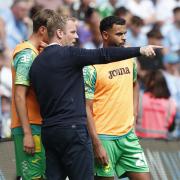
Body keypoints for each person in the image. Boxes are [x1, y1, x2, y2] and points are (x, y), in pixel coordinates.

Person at [29, 13, 160, 180]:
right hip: (74, 130)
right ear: (60, 33)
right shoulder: (69, 55)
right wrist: (140, 50)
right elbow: (103, 55)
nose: (76, 36)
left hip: (49, 131)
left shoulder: (37, 63)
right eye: (72, 32)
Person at [83, 16, 150, 180]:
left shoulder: (129, 58)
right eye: (119, 34)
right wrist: (96, 144)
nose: (124, 37)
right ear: (105, 35)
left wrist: (134, 115)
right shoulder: (91, 66)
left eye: (125, 33)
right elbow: (86, 108)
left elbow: (135, 85)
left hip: (128, 136)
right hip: (104, 138)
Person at [11, 9, 57, 180]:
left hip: (41, 125)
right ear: (42, 30)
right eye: (52, 32)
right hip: (29, 127)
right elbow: (19, 95)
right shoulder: (26, 54)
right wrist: (28, 134)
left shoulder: (37, 52)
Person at [136, 70, 176, 139]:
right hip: (161, 145)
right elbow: (171, 128)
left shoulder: (139, 98)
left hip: (140, 142)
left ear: (151, 83)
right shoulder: (170, 103)